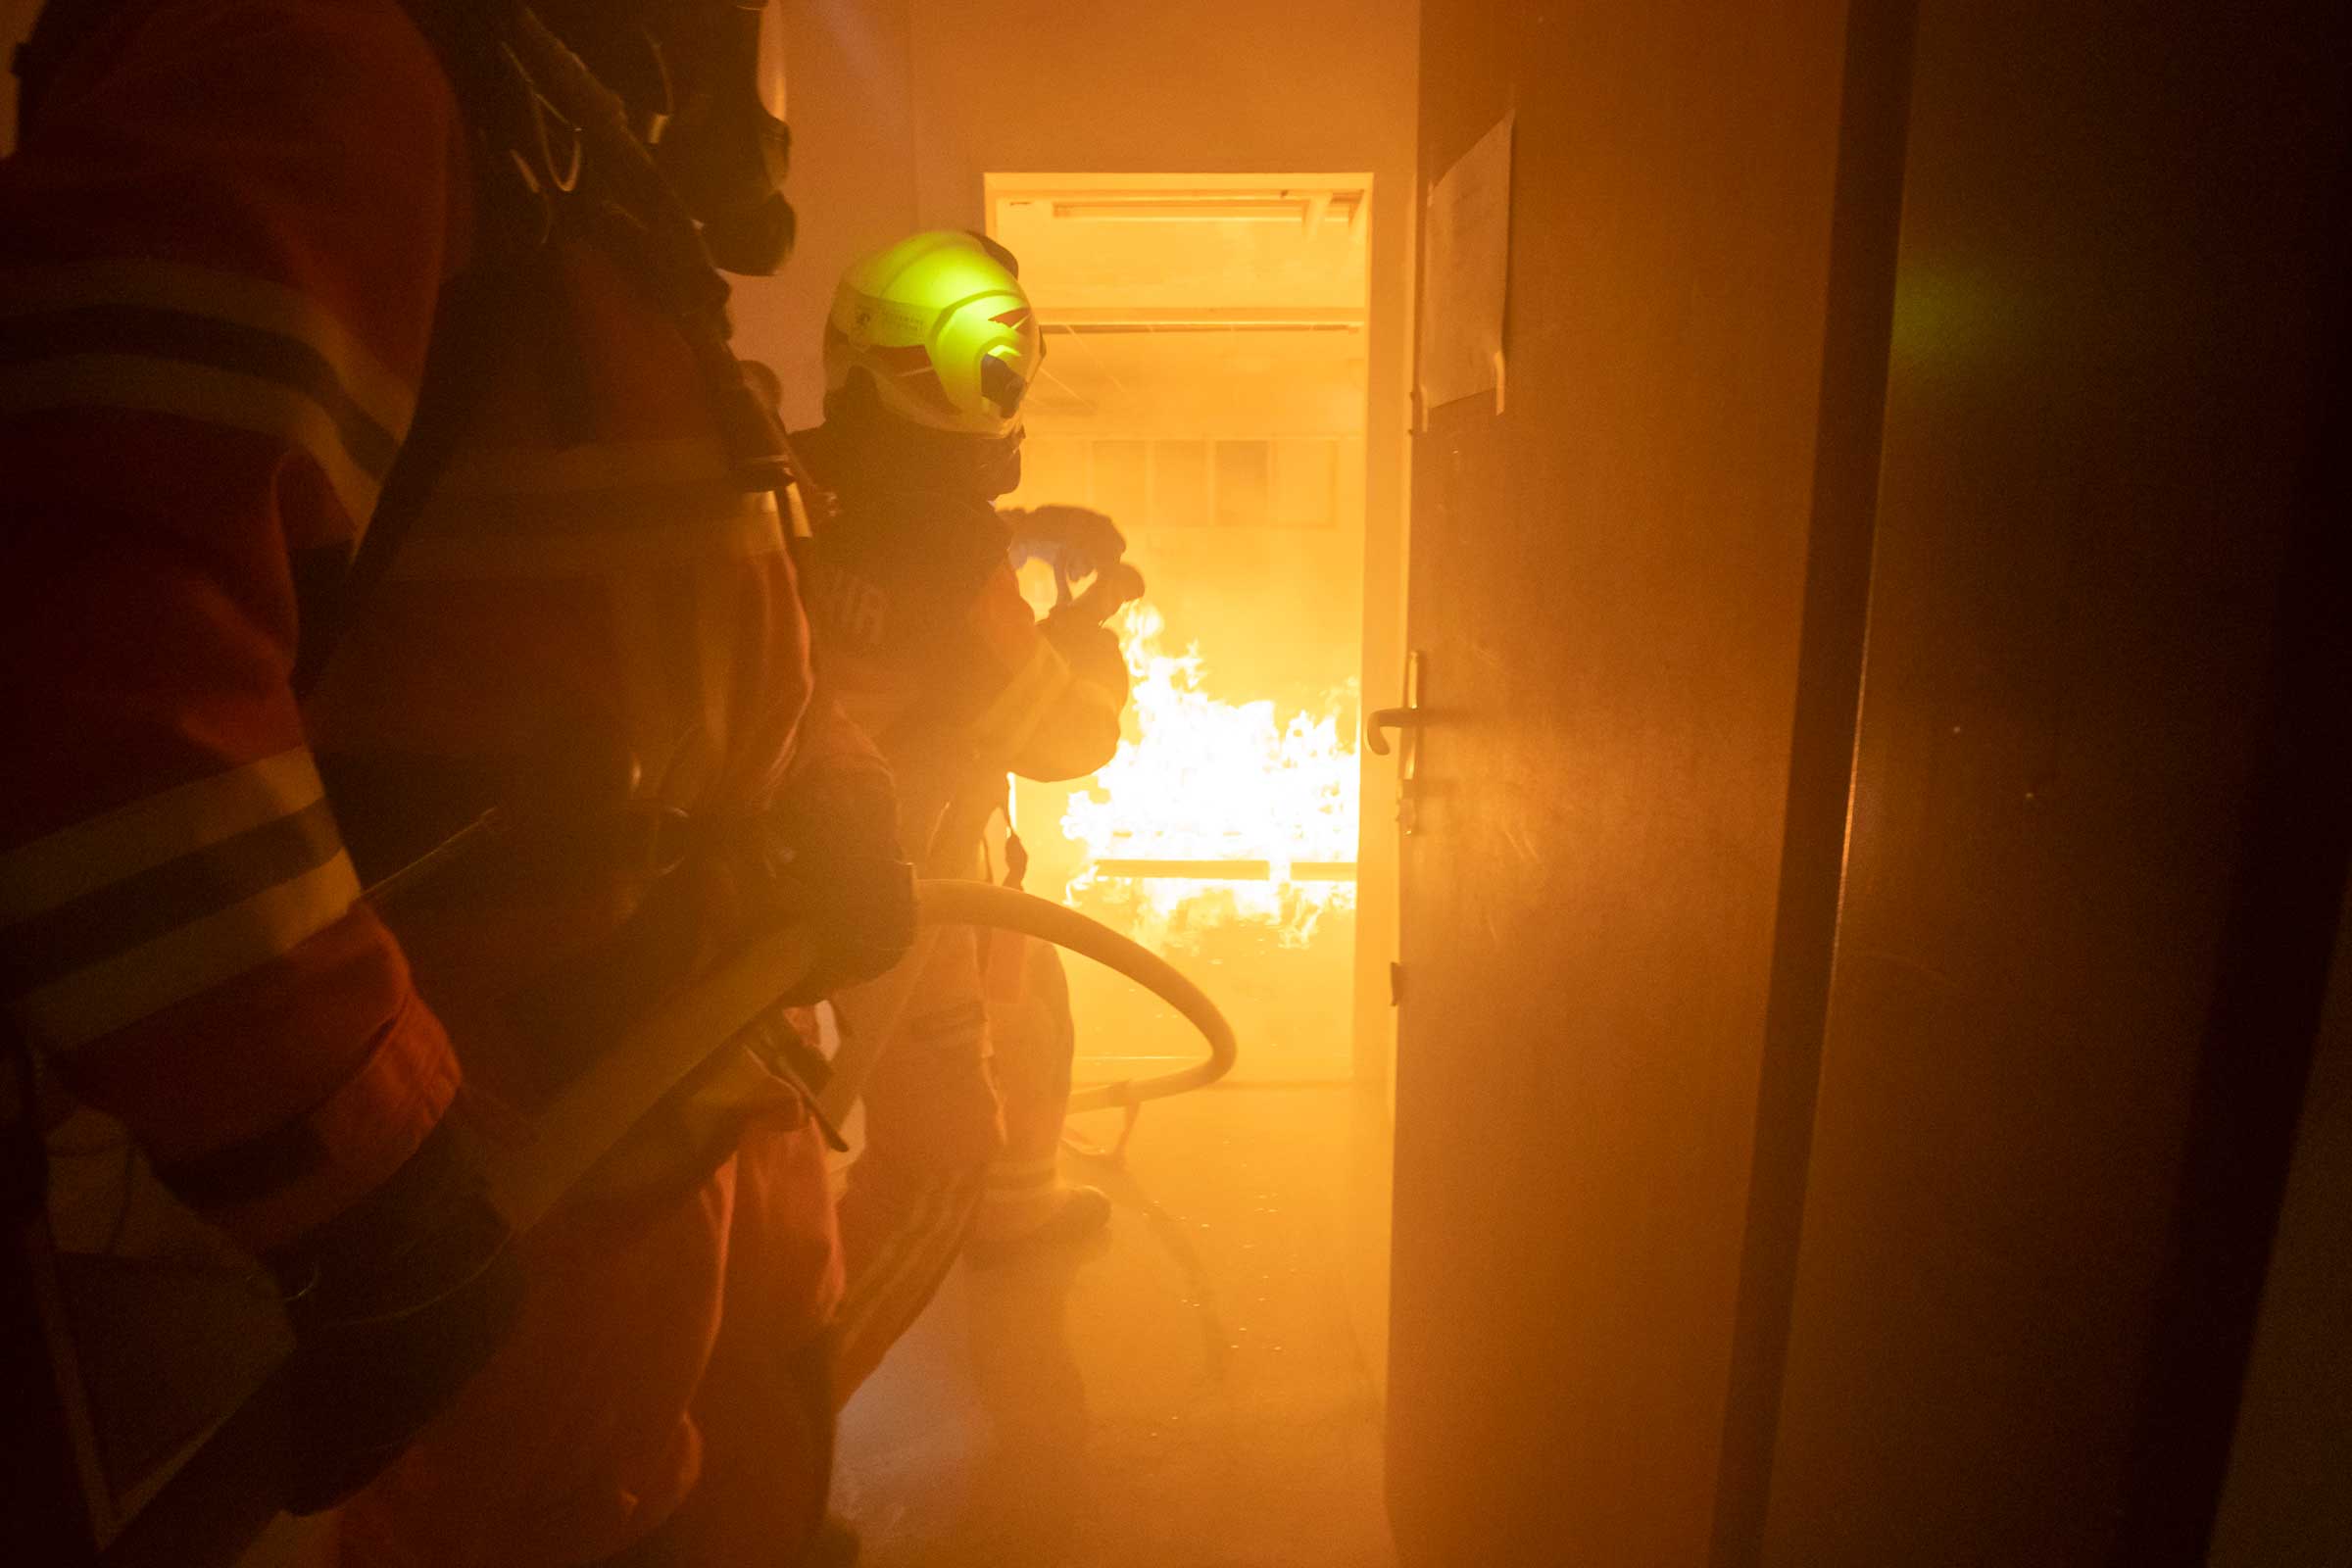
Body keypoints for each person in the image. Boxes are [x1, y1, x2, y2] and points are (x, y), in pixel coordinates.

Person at [0, 0, 902, 1562]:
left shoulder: (557, 172)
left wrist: (834, 786)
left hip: (672, 1175)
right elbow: (89, 650)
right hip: (496, 1219)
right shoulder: (303, 62)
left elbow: (714, 616)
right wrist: (357, 1173)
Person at [792, 230, 1139, 1399]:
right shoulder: (954, 561)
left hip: (786, 856)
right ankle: (766, 1425)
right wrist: (1095, 647)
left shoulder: (799, 487)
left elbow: (891, 557)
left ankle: (1019, 1211)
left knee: (1033, 984)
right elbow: (1063, 737)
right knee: (936, 1162)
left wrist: (1024, 546)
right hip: (911, 881)